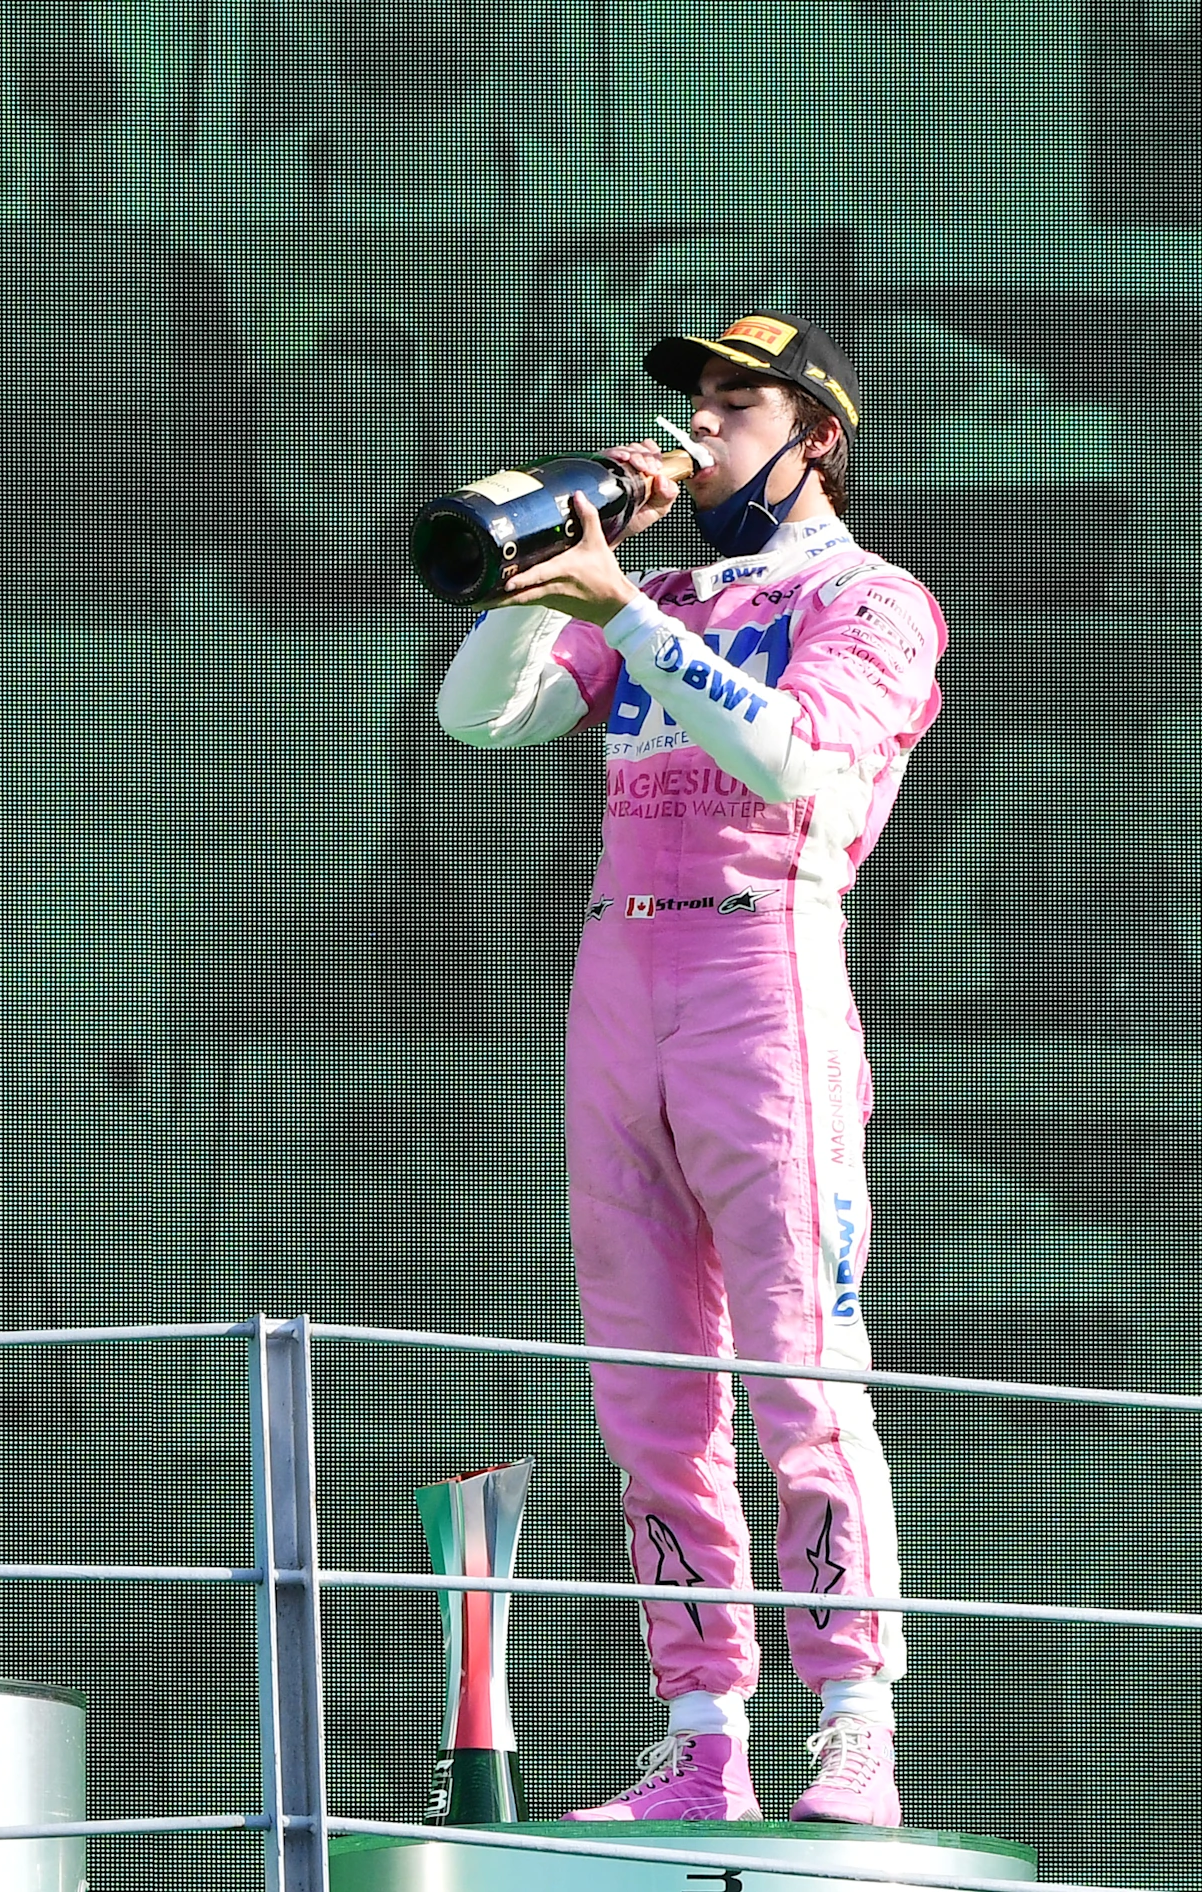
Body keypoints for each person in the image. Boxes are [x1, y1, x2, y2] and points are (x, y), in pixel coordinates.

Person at [435, 313, 942, 1826]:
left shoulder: (870, 597)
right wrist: (550, 573)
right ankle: (700, 1732)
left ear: (815, 438)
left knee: (799, 1367)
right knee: (651, 1389)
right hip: (619, 968)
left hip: (763, 956)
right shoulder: (652, 586)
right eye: (697, 404)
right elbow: (479, 716)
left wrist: (636, 619)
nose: (703, 429)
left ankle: (855, 1718)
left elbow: (795, 757)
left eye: (738, 406)